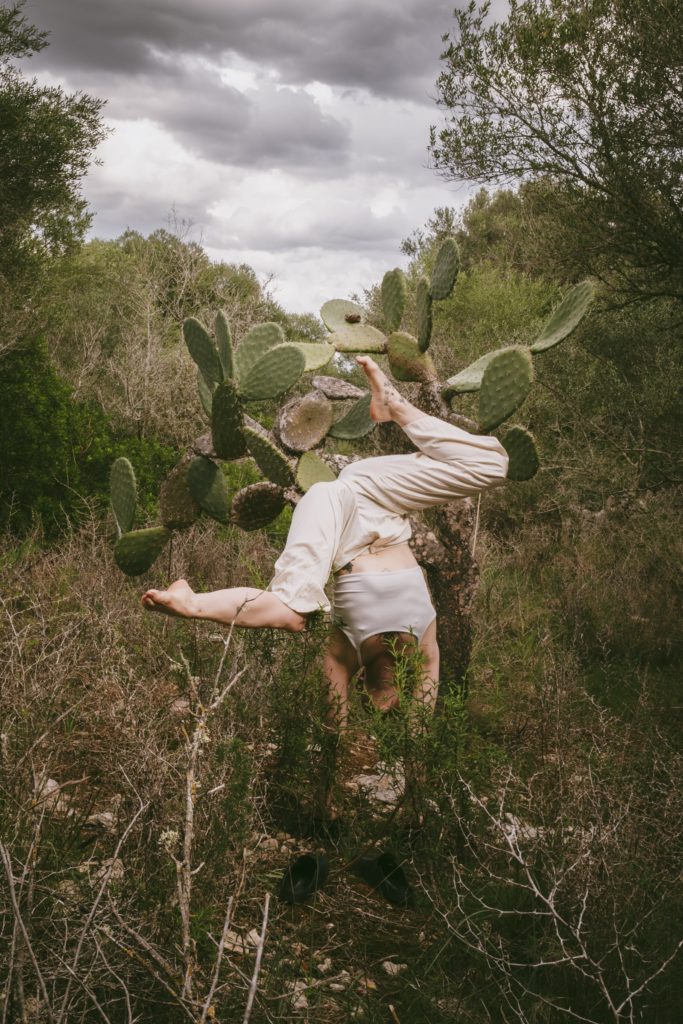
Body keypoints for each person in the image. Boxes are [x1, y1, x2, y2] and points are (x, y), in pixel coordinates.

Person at [142, 355, 508, 735]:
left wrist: (195, 607)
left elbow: (333, 725)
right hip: (380, 500)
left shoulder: (346, 652)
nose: (386, 697)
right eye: (397, 699)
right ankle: (394, 406)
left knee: (291, 610)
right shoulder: (422, 651)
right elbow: (421, 717)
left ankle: (190, 601)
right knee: (494, 465)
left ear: (362, 686)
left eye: (376, 702)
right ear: (407, 684)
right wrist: (413, 741)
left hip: (338, 513)